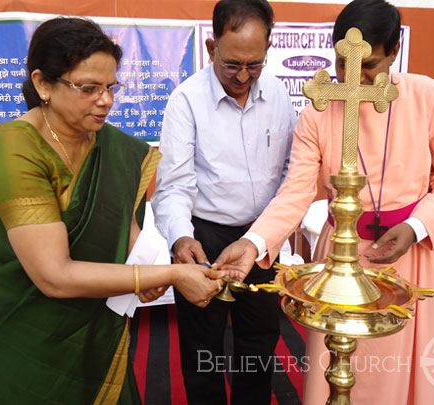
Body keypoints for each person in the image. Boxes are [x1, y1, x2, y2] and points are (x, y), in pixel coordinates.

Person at [215, 0, 434, 404]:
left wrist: (416, 227)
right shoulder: (319, 111)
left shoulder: (429, 97)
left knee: (407, 380)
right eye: (342, 64)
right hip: (340, 258)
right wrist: (252, 244)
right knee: (339, 374)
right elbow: (296, 191)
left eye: (369, 65)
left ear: (393, 53)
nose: (353, 78)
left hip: (412, 257)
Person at [0, 17, 225, 404]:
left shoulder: (112, 148)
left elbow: (121, 228)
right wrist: (169, 274)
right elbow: (54, 276)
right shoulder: (15, 148)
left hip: (97, 330)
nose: (105, 100)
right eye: (88, 88)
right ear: (43, 84)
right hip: (29, 334)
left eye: (110, 87)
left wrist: (157, 263)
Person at [150, 0, 297, 403]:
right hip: (204, 239)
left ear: (269, 48)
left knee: (261, 339)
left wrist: (267, 234)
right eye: (232, 64)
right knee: (202, 345)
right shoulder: (186, 101)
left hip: (262, 237)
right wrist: (181, 239)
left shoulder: (280, 95)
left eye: (255, 64)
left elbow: (291, 171)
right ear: (212, 47)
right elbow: (174, 185)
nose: (244, 76)